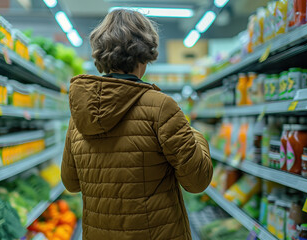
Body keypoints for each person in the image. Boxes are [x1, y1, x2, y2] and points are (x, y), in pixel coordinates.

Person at [61, 9, 213, 240]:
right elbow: (197, 181)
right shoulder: (161, 107)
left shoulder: (80, 114)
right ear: (145, 55)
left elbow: (71, 183)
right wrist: (195, 135)